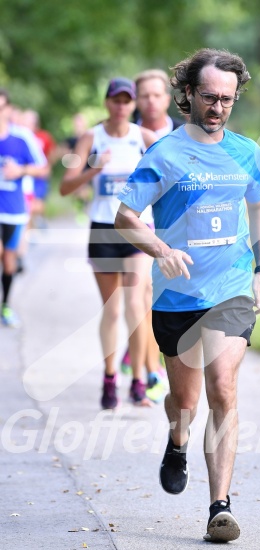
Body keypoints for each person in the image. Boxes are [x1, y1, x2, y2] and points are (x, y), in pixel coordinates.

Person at [115, 49, 260, 542]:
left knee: (222, 386)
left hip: (230, 289)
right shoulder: (162, 154)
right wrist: (160, 247)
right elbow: (124, 217)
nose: (218, 107)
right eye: (209, 97)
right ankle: (177, 438)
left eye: (227, 99)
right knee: (184, 401)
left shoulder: (247, 151)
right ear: (187, 94)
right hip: (177, 297)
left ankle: (218, 508)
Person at [59, 77, 157, 409]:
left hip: (136, 228)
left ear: (134, 106)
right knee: (112, 310)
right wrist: (92, 170)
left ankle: (140, 381)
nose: (121, 106)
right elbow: (65, 186)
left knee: (135, 305)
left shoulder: (144, 137)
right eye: (115, 100)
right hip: (102, 229)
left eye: (127, 101)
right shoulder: (91, 138)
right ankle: (110, 377)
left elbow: (172, 174)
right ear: (106, 103)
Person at [120, 69, 185, 400]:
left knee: (157, 302)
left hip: (177, 231)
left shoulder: (182, 135)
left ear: (167, 98)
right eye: (143, 95)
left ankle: (140, 353)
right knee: (141, 297)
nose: (150, 101)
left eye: (157, 94)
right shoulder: (128, 136)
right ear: (136, 100)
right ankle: (149, 372)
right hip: (142, 227)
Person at [0, 89, 49, 327]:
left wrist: (19, 171)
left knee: (9, 263)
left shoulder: (21, 138)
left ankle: (6, 306)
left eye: (1, 108)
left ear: (8, 110)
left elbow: (43, 168)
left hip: (14, 209)